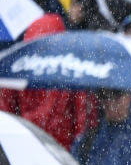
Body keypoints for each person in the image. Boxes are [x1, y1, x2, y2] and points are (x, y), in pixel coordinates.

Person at [0, 14, 98, 149]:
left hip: (25, 145)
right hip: (60, 152)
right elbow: (83, 120)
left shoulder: (19, 68)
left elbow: (5, 113)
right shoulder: (72, 72)